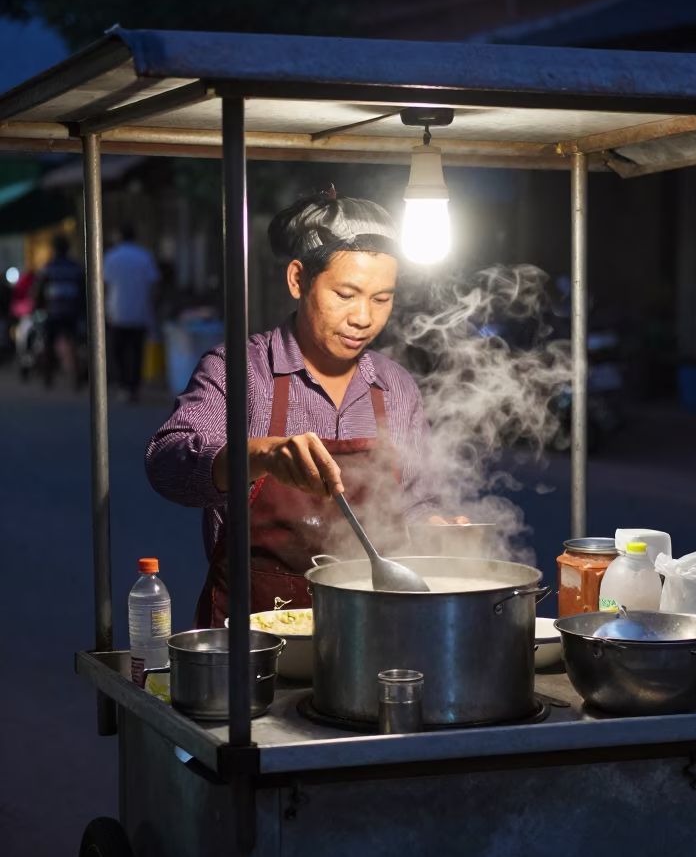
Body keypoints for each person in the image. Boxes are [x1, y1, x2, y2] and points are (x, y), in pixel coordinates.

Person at [146, 190, 464, 627]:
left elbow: (414, 501)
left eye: (381, 298)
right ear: (298, 280)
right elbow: (167, 465)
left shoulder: (395, 386)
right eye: (346, 294)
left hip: (372, 627)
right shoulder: (239, 371)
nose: (363, 318)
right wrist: (259, 456)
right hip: (256, 634)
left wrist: (435, 526)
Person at [103, 222, 159, 403]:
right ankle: (133, 387)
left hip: (116, 311)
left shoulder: (112, 257)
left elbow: (104, 284)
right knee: (136, 351)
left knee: (116, 351)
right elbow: (153, 285)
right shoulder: (144, 256)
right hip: (139, 311)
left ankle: (122, 384)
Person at [35, 236, 85, 388]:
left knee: (48, 344)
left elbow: (38, 290)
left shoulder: (49, 267)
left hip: (54, 311)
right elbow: (83, 290)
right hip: (72, 311)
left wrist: (38, 307)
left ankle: (48, 378)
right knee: (73, 344)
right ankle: (76, 379)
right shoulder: (74, 267)